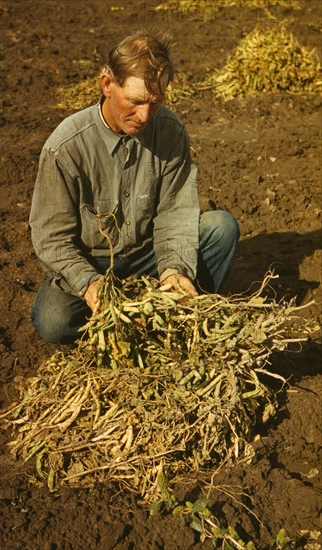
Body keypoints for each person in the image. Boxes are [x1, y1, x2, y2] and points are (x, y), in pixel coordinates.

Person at [29, 30, 239, 344]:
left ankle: (168, 314)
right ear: (107, 85)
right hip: (93, 260)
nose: (144, 116)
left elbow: (175, 213)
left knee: (221, 228)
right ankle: (127, 321)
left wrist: (173, 269)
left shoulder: (169, 131)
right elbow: (51, 237)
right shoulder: (66, 147)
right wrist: (88, 284)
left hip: (148, 255)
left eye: (154, 103)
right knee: (54, 321)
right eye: (135, 101)